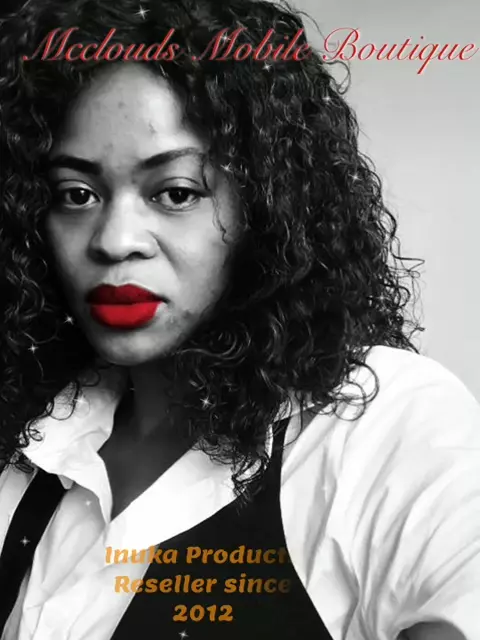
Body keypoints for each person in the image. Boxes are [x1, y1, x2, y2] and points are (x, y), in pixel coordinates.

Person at [0, 0, 479, 638]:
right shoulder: (36, 438)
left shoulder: (375, 426)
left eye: (176, 193)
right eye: (76, 195)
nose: (114, 241)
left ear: (268, 208)